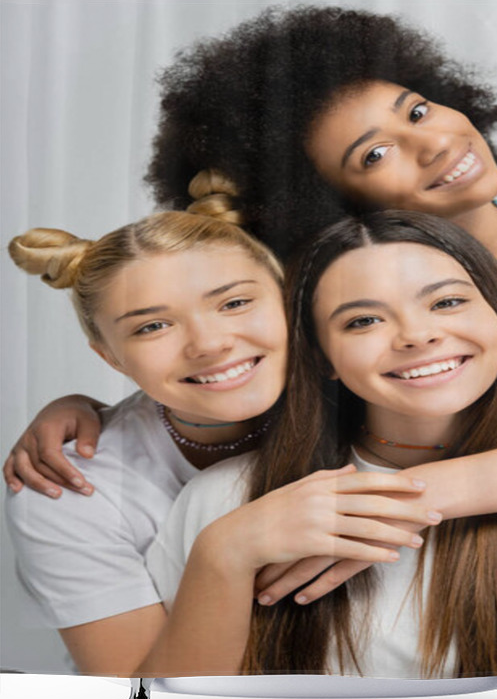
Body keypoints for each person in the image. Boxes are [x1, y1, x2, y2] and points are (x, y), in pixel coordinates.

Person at [4, 6, 497, 497]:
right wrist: (85, 413)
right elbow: (222, 378)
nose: (436, 144)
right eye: (374, 154)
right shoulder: (335, 311)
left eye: (416, 111)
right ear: (324, 203)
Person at [141, 211, 497, 680]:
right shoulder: (229, 500)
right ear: (322, 357)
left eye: (447, 301)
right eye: (362, 321)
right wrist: (223, 552)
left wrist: (404, 500)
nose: (418, 335)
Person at [4, 206, 435, 675]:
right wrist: (227, 550)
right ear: (111, 358)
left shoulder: (375, 385)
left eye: (234, 303)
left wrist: (437, 490)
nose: (208, 344)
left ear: (290, 301)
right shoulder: (69, 487)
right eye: (152, 326)